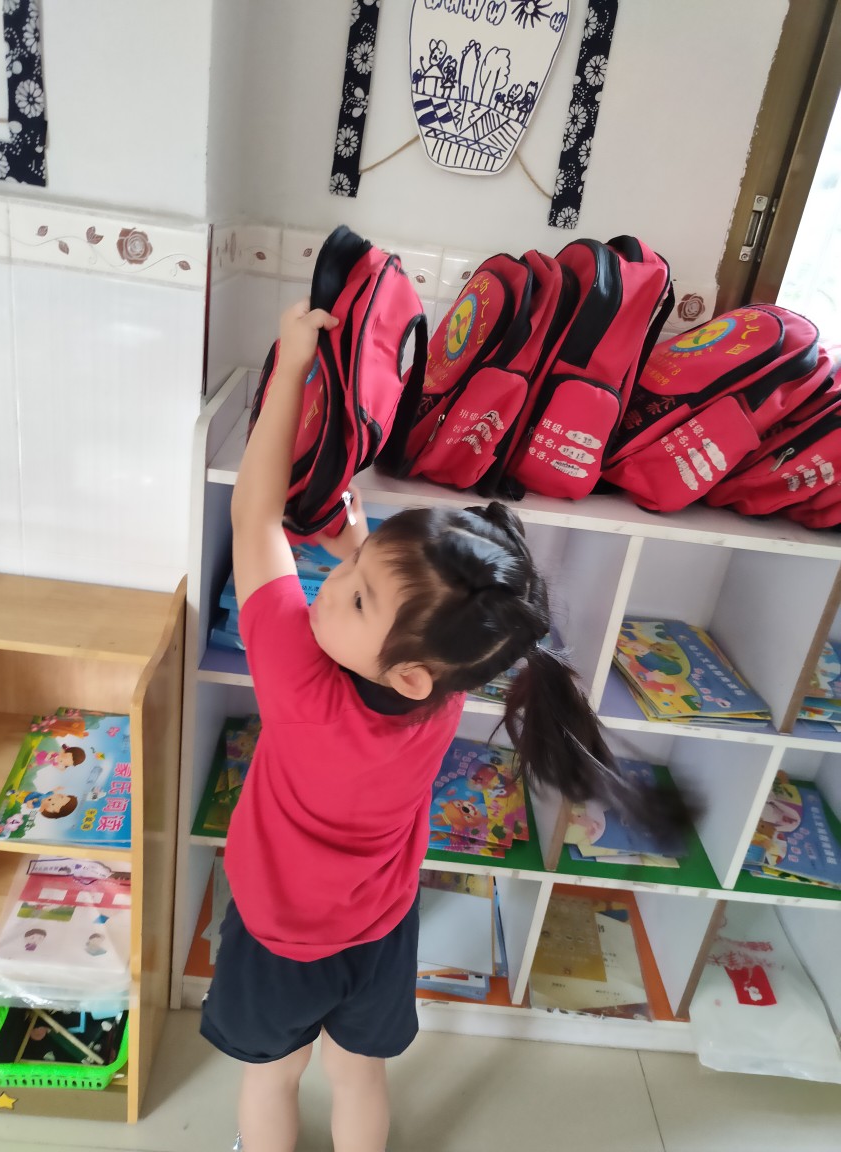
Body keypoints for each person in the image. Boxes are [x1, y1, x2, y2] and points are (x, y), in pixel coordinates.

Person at [200, 300, 691, 1152]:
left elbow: (254, 516)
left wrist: (292, 365)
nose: (330, 584)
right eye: (354, 570)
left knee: (273, 1077)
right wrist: (363, 543)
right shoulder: (446, 689)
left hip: (279, 936)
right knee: (360, 1075)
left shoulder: (295, 679)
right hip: (380, 932)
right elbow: (396, 603)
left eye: (356, 595)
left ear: (409, 672)